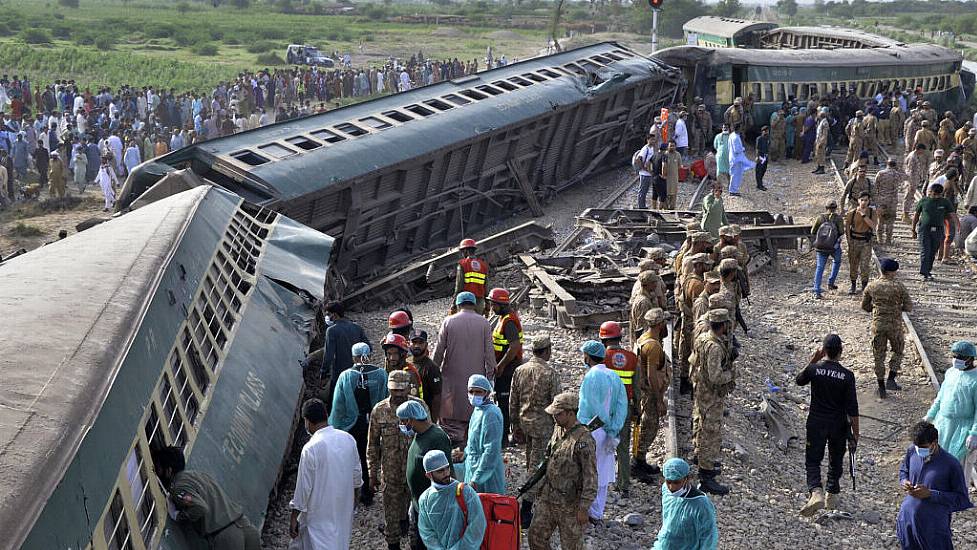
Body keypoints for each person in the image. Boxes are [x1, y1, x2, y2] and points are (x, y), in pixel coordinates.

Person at [795, 334, 860, 516]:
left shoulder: (814, 369)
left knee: (813, 460)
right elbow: (852, 407)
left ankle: (816, 492)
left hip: (816, 422)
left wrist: (814, 360)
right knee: (836, 458)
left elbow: (799, 380)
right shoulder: (847, 376)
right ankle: (832, 494)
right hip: (838, 425)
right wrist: (856, 433)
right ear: (840, 351)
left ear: (824, 351)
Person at [151, 446, 260, 550]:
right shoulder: (200, 475)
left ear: (169, 471)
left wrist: (178, 515)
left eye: (158, 468)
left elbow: (200, 507)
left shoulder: (179, 487)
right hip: (245, 527)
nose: (157, 472)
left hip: (227, 538)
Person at [527, 391, 598, 550]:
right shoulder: (558, 429)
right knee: (536, 537)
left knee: (572, 546)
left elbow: (590, 476)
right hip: (548, 497)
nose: (554, 417)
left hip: (570, 504)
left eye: (558, 414)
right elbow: (549, 457)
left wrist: (584, 507)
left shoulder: (584, 440)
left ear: (571, 413)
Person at [289, 398, 362, 550]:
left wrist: (294, 516)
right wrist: (353, 503)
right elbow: (357, 479)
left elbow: (303, 489)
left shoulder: (311, 448)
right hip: (342, 511)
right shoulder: (348, 439)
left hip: (318, 518)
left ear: (307, 421)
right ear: (326, 415)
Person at [369, 371, 425, 550]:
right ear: (388, 388)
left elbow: (428, 435)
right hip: (391, 475)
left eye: (402, 390)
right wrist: (372, 472)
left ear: (409, 388)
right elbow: (372, 445)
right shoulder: (379, 411)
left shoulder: (419, 408)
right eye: (395, 390)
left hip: (415, 474)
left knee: (416, 518)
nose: (398, 394)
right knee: (391, 518)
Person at [896, 421, 973, 549]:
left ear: (934, 442)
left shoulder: (951, 464)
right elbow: (904, 471)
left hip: (933, 527)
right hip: (908, 520)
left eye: (923, 447)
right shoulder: (912, 451)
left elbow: (962, 499)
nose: (919, 450)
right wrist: (904, 481)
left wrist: (931, 494)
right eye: (917, 446)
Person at [509, 336, 561, 526]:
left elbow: (513, 400)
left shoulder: (520, 370)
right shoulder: (550, 373)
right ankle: (525, 507)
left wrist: (514, 425)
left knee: (531, 461)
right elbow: (557, 404)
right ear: (547, 351)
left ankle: (533, 494)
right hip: (543, 426)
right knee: (537, 467)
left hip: (524, 423)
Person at [432, 292, 495, 445]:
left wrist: (434, 371)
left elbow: (439, 351)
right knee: (473, 412)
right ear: (474, 304)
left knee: (450, 414)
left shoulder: (448, 322)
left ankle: (453, 446)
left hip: (451, 378)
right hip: (476, 379)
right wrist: (491, 375)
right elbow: (489, 354)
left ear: (458, 305)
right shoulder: (484, 323)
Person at [330, 342, 388, 506]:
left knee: (355, 457)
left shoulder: (346, 376)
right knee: (372, 455)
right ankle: (369, 491)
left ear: (354, 356)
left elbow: (338, 405)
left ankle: (353, 491)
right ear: (369, 354)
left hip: (352, 426)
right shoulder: (382, 375)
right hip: (374, 423)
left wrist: (335, 426)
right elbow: (386, 399)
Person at [577, 340, 628, 525]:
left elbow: (591, 405)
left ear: (588, 357)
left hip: (592, 429)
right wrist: (614, 429)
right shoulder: (615, 377)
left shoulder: (591, 376)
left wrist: (605, 424)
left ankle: (586, 510)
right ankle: (597, 512)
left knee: (587, 470)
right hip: (609, 433)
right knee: (604, 471)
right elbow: (622, 406)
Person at [691, 309, 735, 495]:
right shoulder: (715, 347)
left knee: (702, 427)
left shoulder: (703, 339)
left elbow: (693, 360)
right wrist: (732, 373)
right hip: (711, 395)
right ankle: (706, 475)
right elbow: (716, 376)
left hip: (702, 391)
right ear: (723, 325)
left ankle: (702, 459)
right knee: (711, 432)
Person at [400, 399, 453, 550]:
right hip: (419, 504)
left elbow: (446, 474)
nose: (402, 424)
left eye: (403, 421)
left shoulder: (436, 437)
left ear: (412, 419)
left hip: (433, 507)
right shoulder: (419, 434)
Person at [861, 258, 913, 398]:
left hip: (878, 325)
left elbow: (865, 306)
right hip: (895, 326)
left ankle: (881, 387)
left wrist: (877, 308)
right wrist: (896, 308)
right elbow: (908, 307)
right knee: (898, 350)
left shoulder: (872, 286)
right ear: (893, 272)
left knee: (878, 355)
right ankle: (891, 379)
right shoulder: (899, 287)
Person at [417, 450, 487, 549]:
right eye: (440, 471)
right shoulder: (425, 499)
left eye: (447, 468)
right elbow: (427, 532)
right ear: (429, 475)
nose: (446, 473)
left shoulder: (466, 492)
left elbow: (477, 525)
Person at [600, 321, 639, 496]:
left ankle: (601, 481)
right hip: (625, 408)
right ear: (620, 337)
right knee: (623, 447)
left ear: (603, 340)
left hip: (605, 409)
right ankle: (624, 484)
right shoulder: (631, 357)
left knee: (601, 444)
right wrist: (637, 408)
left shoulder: (600, 357)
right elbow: (636, 387)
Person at [310, 301, 370, 412]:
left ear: (335, 314)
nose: (327, 317)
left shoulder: (332, 331)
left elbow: (328, 355)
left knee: (335, 406)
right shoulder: (357, 328)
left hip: (339, 374)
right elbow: (368, 348)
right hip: (358, 373)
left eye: (328, 314)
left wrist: (323, 375)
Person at [924, 341, 977, 464]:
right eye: (954, 356)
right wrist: (930, 415)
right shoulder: (951, 372)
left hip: (963, 429)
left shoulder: (975, 379)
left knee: (958, 465)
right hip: (942, 423)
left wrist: (974, 433)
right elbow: (941, 397)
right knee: (938, 460)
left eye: (960, 357)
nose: (956, 360)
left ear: (971, 359)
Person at [633, 308, 670, 480]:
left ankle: (640, 460)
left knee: (646, 425)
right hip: (650, 393)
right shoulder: (653, 346)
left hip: (643, 391)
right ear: (660, 324)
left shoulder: (643, 339)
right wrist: (659, 399)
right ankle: (637, 461)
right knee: (649, 427)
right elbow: (651, 374)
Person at [651, 458, 719, 550]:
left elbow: (709, 536)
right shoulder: (666, 491)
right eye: (668, 482)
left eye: (676, 482)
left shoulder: (701, 504)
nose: (672, 487)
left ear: (687, 479)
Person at [454, 374, 506, 494]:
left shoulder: (491, 414)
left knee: (488, 507)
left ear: (487, 393)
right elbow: (473, 440)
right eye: (471, 391)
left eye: (478, 392)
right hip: (473, 466)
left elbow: (490, 451)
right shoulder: (478, 410)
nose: (474, 395)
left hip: (487, 473)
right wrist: (465, 453)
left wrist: (477, 479)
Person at [487, 287, 523, 445]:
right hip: (505, 368)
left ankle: (504, 439)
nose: (491, 308)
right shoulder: (504, 318)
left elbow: (514, 346)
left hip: (508, 370)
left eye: (493, 305)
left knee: (504, 403)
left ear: (501, 304)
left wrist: (501, 366)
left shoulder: (508, 322)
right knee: (503, 402)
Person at [912, 183, 957, 280]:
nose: (936, 196)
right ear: (930, 192)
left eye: (938, 195)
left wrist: (958, 226)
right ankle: (924, 272)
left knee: (933, 251)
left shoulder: (945, 202)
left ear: (941, 193)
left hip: (938, 230)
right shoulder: (924, 201)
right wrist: (913, 229)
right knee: (925, 250)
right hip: (924, 229)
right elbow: (916, 215)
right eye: (934, 194)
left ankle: (928, 271)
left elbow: (952, 214)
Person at [844, 192, 878, 294]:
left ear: (869, 201)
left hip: (866, 242)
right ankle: (853, 285)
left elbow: (873, 225)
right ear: (858, 200)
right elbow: (847, 227)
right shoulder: (852, 213)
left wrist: (863, 214)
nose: (863, 202)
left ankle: (864, 287)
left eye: (866, 200)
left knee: (864, 265)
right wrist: (849, 240)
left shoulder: (872, 213)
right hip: (854, 241)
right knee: (853, 264)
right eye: (862, 200)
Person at [811, 199, 844, 298]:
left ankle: (816, 290)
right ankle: (831, 282)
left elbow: (813, 231)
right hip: (833, 247)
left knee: (820, 267)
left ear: (826, 208)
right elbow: (841, 232)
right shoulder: (838, 219)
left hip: (821, 247)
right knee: (837, 261)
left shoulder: (820, 217)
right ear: (836, 208)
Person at [408, 330, 443, 422]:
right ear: (409, 343)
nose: (417, 346)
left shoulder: (432, 368)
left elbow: (437, 397)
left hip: (423, 416)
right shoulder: (405, 363)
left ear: (426, 345)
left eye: (420, 343)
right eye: (414, 342)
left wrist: (433, 422)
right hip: (406, 414)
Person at [874, 159, 905, 245]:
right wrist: (898, 169)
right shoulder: (897, 175)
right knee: (890, 221)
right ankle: (888, 240)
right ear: (895, 165)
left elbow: (875, 186)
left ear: (887, 164)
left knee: (880, 220)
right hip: (892, 202)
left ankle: (879, 239)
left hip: (882, 201)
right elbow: (906, 177)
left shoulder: (880, 173)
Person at [454, 239, 489, 314]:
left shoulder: (462, 264)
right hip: (479, 302)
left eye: (462, 251)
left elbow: (459, 286)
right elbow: (486, 287)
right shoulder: (483, 265)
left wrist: (453, 304)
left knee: (465, 323)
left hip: (465, 301)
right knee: (477, 323)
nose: (462, 254)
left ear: (466, 251)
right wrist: (487, 304)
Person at [727, 125, 754, 196]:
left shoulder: (732, 135)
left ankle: (732, 189)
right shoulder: (735, 137)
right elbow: (737, 150)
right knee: (736, 175)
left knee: (733, 174)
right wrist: (743, 149)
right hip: (736, 160)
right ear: (739, 129)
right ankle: (733, 191)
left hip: (733, 158)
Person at [635, 133, 656, 209]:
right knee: (642, 190)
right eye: (651, 139)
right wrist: (643, 168)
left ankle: (643, 205)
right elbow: (638, 159)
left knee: (645, 190)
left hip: (649, 173)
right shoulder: (645, 149)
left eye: (654, 139)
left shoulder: (652, 148)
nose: (653, 141)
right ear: (648, 140)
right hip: (644, 173)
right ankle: (641, 206)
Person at [664, 140, 682, 209]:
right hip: (666, 178)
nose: (672, 147)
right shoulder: (665, 154)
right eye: (670, 146)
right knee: (666, 193)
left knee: (674, 194)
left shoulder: (678, 155)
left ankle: (672, 209)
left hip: (674, 178)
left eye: (673, 146)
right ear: (667, 147)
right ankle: (665, 209)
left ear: (675, 146)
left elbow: (680, 166)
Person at [713, 125, 730, 190]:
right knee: (720, 171)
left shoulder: (731, 136)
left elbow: (715, 146)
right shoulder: (718, 136)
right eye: (724, 127)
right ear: (722, 128)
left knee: (729, 171)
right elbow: (715, 146)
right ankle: (719, 185)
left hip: (728, 156)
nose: (725, 129)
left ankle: (729, 184)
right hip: (720, 156)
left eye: (726, 127)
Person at [755, 125, 769, 191]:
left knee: (764, 169)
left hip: (765, 156)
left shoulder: (767, 138)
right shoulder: (759, 138)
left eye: (767, 131)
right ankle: (759, 185)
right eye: (765, 131)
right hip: (761, 156)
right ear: (762, 131)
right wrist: (757, 157)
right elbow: (757, 149)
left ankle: (760, 183)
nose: (766, 132)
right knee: (759, 171)